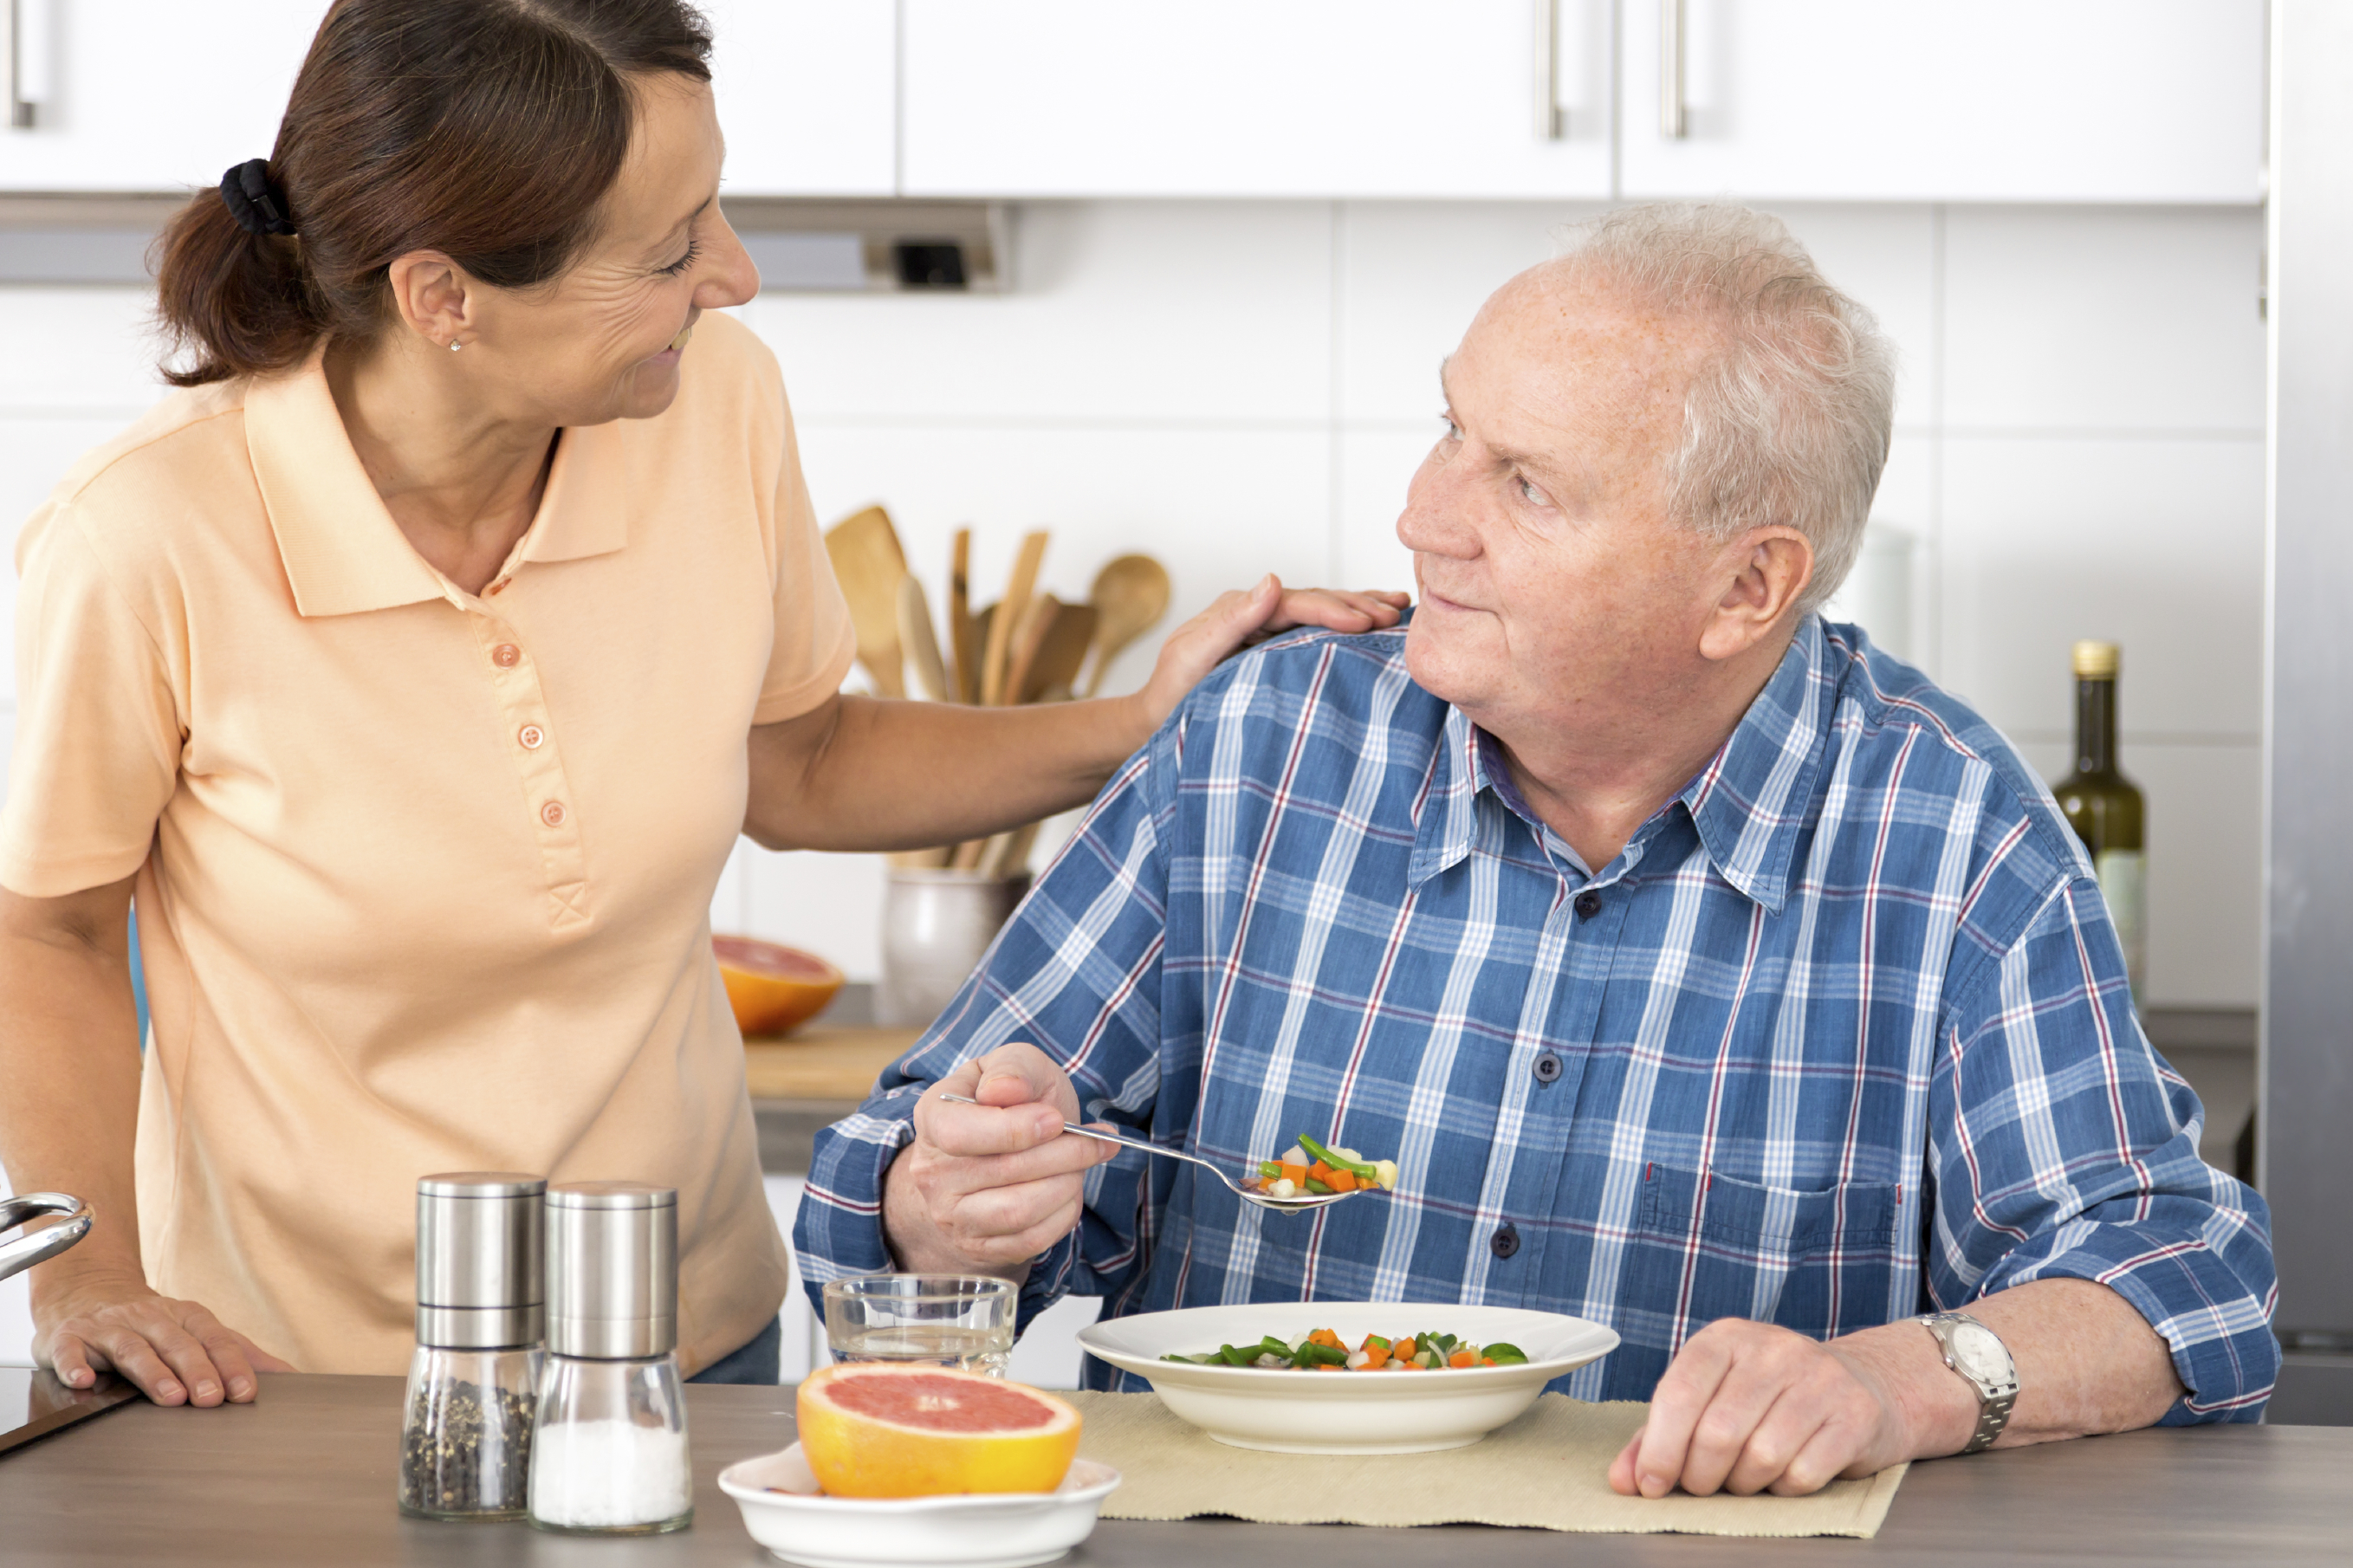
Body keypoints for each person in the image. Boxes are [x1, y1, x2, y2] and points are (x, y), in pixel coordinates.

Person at [0, 0, 1400, 1410]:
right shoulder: (146, 539)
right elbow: (42, 926)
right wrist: (85, 1266)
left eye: (713, 210)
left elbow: (803, 761)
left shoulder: (709, 406)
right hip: (294, 1374)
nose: (730, 275)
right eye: (669, 250)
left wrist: (1139, 717)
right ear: (446, 299)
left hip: (687, 1331)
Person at [797, 204, 2278, 1498]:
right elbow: (887, 1176)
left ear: (1745, 584)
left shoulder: (1948, 836)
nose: (1422, 514)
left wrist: (1903, 1377)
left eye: (1525, 482)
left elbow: (2177, 1277)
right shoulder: (1263, 742)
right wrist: (949, 1209)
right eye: (1451, 426)